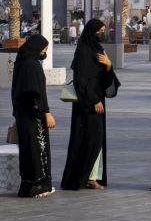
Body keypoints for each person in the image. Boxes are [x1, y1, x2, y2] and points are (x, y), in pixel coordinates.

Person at [61, 19, 119, 191]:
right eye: (99, 31)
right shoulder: (83, 52)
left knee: (97, 139)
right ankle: (86, 177)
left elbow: (104, 79)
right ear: (91, 32)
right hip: (87, 104)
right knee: (89, 139)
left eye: (103, 30)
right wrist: (93, 100)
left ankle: (91, 175)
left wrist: (109, 66)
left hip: (98, 101)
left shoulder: (98, 50)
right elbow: (82, 81)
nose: (102, 33)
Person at [11, 35, 56, 198]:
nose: (45, 52)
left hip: (23, 114)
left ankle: (28, 185)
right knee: (38, 148)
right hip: (33, 116)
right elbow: (36, 93)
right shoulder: (32, 65)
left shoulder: (22, 62)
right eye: (44, 49)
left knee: (28, 149)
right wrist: (46, 112)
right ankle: (39, 184)